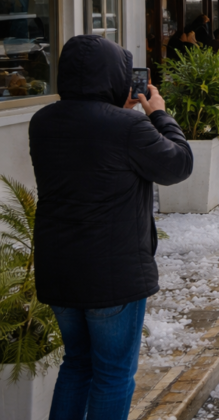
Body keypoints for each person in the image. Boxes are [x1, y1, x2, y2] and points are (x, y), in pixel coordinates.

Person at [29, 35, 193, 420]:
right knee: (113, 375)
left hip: (59, 268)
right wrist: (158, 113)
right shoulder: (128, 128)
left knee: (77, 365)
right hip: (113, 272)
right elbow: (178, 165)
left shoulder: (43, 121)